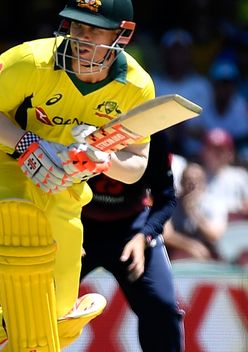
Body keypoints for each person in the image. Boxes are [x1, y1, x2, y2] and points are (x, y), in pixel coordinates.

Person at [0, 0, 154, 351]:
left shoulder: (136, 87)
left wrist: (105, 159)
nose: (82, 38)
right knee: (25, 252)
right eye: (77, 25)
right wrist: (28, 145)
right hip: (5, 168)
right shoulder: (29, 60)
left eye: (95, 30)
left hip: (66, 186)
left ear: (122, 35)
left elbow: (137, 165)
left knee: (59, 315)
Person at [82, 131, 185, 351]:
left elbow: (166, 198)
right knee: (39, 303)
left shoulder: (153, 132)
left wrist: (144, 235)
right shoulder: (79, 122)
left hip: (132, 229)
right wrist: (65, 233)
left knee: (162, 308)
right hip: (78, 226)